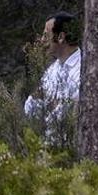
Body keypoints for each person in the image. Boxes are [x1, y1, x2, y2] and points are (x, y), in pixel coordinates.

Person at [23, 12, 82, 141]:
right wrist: (52, 103)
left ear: (61, 37)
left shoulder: (84, 69)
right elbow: (29, 108)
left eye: (46, 35)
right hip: (48, 146)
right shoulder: (52, 70)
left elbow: (69, 114)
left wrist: (48, 102)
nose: (42, 40)